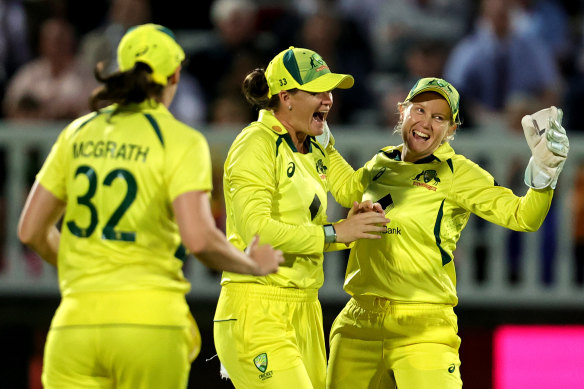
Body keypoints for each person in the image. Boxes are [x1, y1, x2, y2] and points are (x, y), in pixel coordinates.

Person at [17, 23, 284, 389]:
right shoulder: (181, 140)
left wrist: (83, 269)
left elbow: (30, 230)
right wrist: (252, 265)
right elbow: (200, 239)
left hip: (74, 325)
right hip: (150, 324)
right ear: (174, 74)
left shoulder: (77, 133)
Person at [324, 77, 569, 388]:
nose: (426, 122)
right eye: (420, 110)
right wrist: (322, 139)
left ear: (452, 129)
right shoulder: (381, 162)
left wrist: (545, 174)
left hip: (424, 329)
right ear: (403, 111)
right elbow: (348, 191)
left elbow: (524, 217)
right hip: (357, 324)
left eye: (439, 117)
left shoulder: (458, 174)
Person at [213, 46, 390, 388]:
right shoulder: (256, 144)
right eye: (316, 91)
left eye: (329, 90)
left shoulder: (314, 145)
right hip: (257, 306)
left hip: (306, 307)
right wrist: (336, 233)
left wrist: (363, 214)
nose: (328, 99)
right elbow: (258, 232)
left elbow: (352, 190)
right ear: (286, 97)